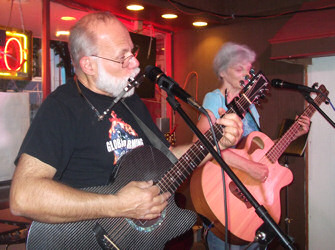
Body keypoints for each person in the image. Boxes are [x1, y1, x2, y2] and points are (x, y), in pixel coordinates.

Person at [9, 12, 243, 247]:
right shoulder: (62, 107)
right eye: (123, 58)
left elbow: (167, 159)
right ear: (88, 64)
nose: (135, 63)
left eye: (133, 53)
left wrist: (215, 143)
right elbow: (23, 196)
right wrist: (117, 205)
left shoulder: (130, 102)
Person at [193, 42, 310, 249]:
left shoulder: (251, 107)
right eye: (239, 69)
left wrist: (293, 135)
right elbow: (200, 144)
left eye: (249, 69)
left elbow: (259, 152)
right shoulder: (215, 99)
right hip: (228, 196)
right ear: (222, 72)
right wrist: (250, 168)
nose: (246, 74)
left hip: (251, 197)